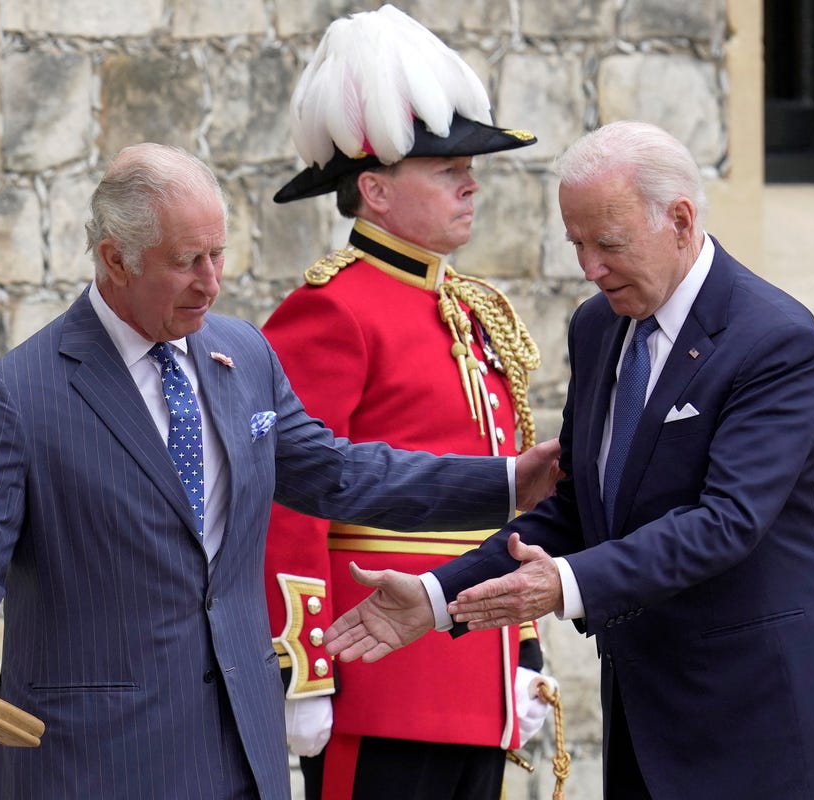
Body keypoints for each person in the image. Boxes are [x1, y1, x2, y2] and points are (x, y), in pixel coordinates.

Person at [0, 142, 560, 799]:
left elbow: (338, 475)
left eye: (218, 254)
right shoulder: (21, 393)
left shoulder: (242, 355)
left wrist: (505, 482)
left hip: (240, 744)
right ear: (115, 259)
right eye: (186, 261)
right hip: (93, 757)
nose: (210, 282)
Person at [325, 120, 814, 800]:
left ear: (680, 220)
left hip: (757, 719)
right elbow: (579, 508)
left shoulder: (773, 339)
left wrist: (565, 585)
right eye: (576, 243)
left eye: (607, 244)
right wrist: (436, 597)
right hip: (645, 714)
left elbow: (727, 521)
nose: (589, 268)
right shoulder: (598, 325)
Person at [260, 7, 557, 800]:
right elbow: (291, 500)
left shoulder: (470, 306)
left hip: (475, 667)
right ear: (375, 190)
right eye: (446, 167)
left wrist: (522, 650)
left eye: (469, 163)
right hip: (381, 679)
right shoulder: (332, 308)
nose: (471, 180)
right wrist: (304, 668)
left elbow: (507, 508)